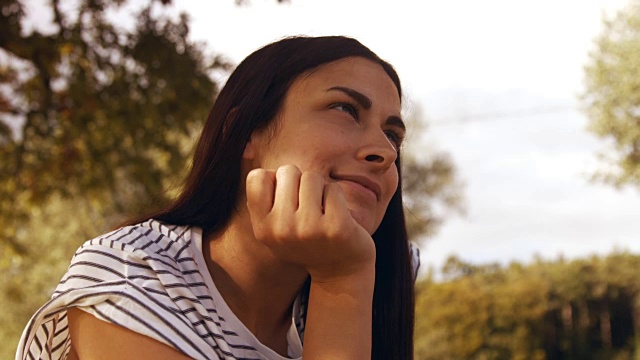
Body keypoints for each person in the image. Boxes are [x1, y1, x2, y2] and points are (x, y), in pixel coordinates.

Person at [16, 35, 419, 360]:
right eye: (345, 109)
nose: (383, 152)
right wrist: (341, 283)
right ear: (244, 134)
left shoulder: (365, 285)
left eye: (393, 135)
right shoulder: (130, 276)